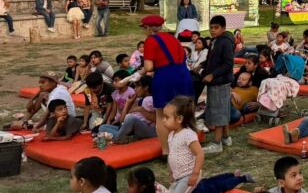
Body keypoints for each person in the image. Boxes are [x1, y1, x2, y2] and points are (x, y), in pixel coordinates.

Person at [141, 15, 194, 156]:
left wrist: (142, 71)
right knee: (185, 111)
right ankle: (188, 146)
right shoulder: (173, 38)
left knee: (162, 114)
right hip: (183, 74)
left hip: (165, 76)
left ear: (148, 28)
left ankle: (166, 151)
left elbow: (148, 67)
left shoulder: (150, 40)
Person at [163, 96, 204, 193]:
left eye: (167, 117)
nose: (163, 120)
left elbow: (200, 153)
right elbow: (172, 154)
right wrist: (171, 172)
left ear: (179, 119)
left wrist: (195, 174)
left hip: (188, 175)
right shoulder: (171, 135)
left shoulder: (188, 134)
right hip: (178, 176)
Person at [201, 15, 236, 153]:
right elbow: (212, 59)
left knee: (219, 112)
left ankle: (217, 143)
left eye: (216, 28)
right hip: (216, 81)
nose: (212, 30)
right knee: (223, 110)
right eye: (211, 27)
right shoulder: (215, 41)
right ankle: (226, 137)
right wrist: (201, 66)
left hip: (220, 82)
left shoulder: (225, 42)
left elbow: (228, 63)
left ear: (223, 28)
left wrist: (212, 74)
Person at [98, 76, 157, 143]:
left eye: (137, 86)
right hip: (130, 129)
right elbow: (122, 120)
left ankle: (118, 138)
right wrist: (128, 103)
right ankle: (127, 138)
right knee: (102, 127)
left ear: (146, 87)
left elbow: (156, 118)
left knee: (130, 118)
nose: (135, 89)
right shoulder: (139, 99)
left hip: (149, 130)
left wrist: (141, 109)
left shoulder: (150, 99)